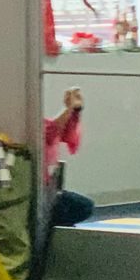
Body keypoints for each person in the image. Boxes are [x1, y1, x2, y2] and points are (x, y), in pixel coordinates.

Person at [43, 87, 95, 226]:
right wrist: (70, 108)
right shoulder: (36, 130)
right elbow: (51, 131)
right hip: (43, 191)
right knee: (83, 206)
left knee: (81, 206)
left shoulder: (39, 126)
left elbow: (59, 129)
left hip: (49, 189)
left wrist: (73, 110)